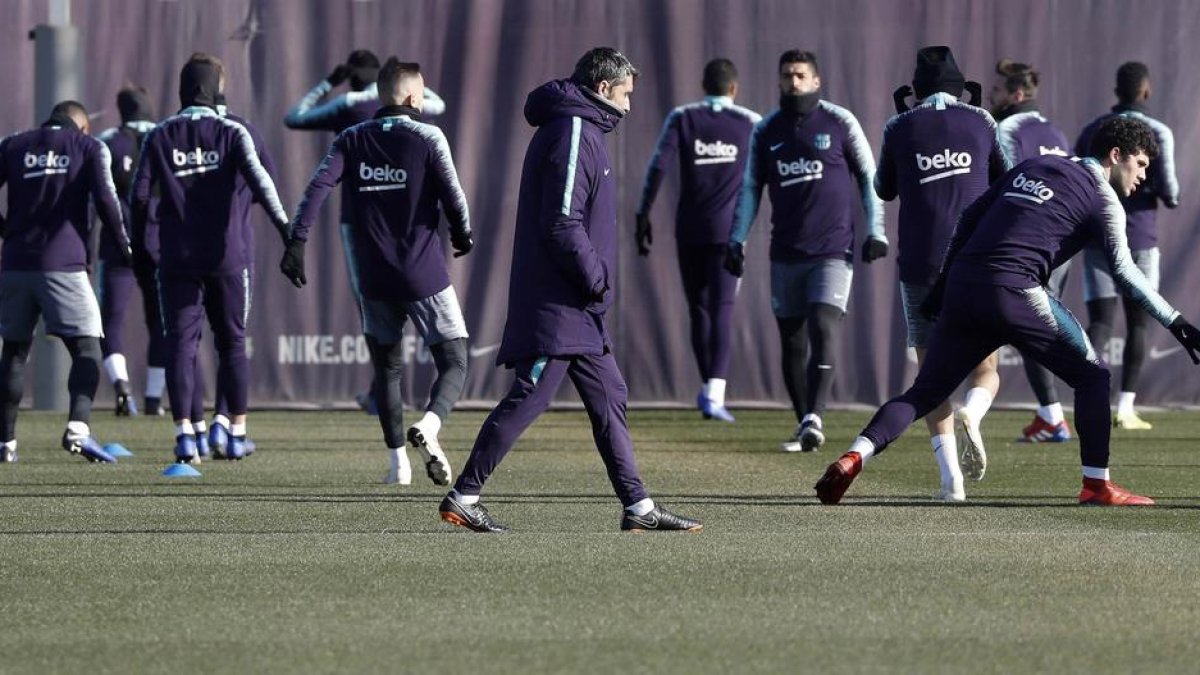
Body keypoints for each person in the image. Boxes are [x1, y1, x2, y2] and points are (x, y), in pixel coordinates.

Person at [815, 116, 1200, 507]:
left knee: (925, 392)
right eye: (1141, 163)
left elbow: (968, 217)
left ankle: (854, 455)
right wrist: (1178, 323)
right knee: (1094, 377)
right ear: (1116, 155)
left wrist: (944, 284)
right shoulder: (1105, 200)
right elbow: (1126, 272)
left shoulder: (1032, 166)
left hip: (965, 286)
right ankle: (1096, 486)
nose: (1143, 174)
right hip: (1015, 290)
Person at [439, 47, 701, 533]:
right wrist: (596, 278)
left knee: (611, 395)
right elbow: (562, 223)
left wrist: (593, 287)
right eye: (625, 95)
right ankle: (465, 493)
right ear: (603, 89)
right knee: (530, 396)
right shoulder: (575, 130)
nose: (628, 107)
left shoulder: (581, 127)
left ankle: (638, 507)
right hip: (559, 304)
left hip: (580, 308)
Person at [283, 58, 470, 487]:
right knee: (456, 358)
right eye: (419, 93)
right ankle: (431, 426)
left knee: (387, 369)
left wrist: (297, 241)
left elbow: (318, 187)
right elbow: (453, 194)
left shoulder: (349, 138)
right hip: (423, 273)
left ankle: (397, 467)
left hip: (372, 276)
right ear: (411, 97)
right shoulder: (427, 135)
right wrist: (464, 233)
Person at [131, 53, 290, 464]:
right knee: (232, 344)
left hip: (177, 258)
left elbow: (140, 197)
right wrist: (291, 236)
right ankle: (233, 431)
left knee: (181, 346)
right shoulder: (237, 131)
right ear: (217, 88)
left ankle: (188, 434)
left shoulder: (159, 135)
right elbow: (265, 184)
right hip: (229, 256)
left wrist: (140, 249)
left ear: (183, 89)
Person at [726, 49, 886, 453]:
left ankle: (816, 415)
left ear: (816, 81)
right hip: (785, 253)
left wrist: (876, 230)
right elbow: (749, 189)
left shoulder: (839, 122)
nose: (792, 82)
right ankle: (805, 424)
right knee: (793, 342)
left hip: (834, 250)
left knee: (823, 323)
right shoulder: (767, 130)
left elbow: (870, 178)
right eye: (786, 76)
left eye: (800, 75)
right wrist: (736, 240)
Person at [876, 46, 1009, 500]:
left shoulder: (898, 126)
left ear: (917, 90)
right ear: (960, 87)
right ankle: (975, 410)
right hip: (975, 260)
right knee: (986, 367)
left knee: (931, 376)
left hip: (920, 265)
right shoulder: (983, 122)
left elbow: (883, 189)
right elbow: (1004, 180)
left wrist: (906, 134)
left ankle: (950, 480)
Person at [0, 100, 131, 464]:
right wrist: (125, 245)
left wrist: (6, 231)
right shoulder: (88, 147)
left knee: (13, 351)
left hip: (14, 265)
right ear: (83, 127)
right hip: (64, 265)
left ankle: (5, 444)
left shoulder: (13, 144)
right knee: (88, 349)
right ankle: (78, 430)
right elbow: (108, 199)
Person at [635, 58, 760, 422]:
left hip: (688, 229)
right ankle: (714, 394)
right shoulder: (751, 123)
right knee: (722, 308)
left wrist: (643, 214)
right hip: (730, 233)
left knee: (699, 310)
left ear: (703, 85)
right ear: (733, 89)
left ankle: (708, 389)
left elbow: (658, 165)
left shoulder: (682, 117)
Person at [1074, 62, 1180, 430]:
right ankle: (1125, 407)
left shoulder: (1093, 128)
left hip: (1096, 238)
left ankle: (1081, 394)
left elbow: (1079, 170)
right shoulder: (1159, 132)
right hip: (1139, 238)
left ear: (1117, 90)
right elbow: (1171, 193)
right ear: (1146, 91)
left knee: (1100, 322)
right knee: (1138, 323)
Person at [989, 59, 1075, 443]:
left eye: (998, 91)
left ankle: (1055, 418)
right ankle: (1050, 414)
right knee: (1031, 324)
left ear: (1016, 95)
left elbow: (1006, 181)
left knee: (1029, 325)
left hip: (1029, 241)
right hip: (1062, 239)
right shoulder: (1054, 130)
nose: (992, 96)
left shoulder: (1008, 128)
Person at [94, 84, 167, 417]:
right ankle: (154, 400)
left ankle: (123, 389)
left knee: (110, 322)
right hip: (160, 246)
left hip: (117, 246)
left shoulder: (108, 143)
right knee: (162, 323)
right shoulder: (167, 137)